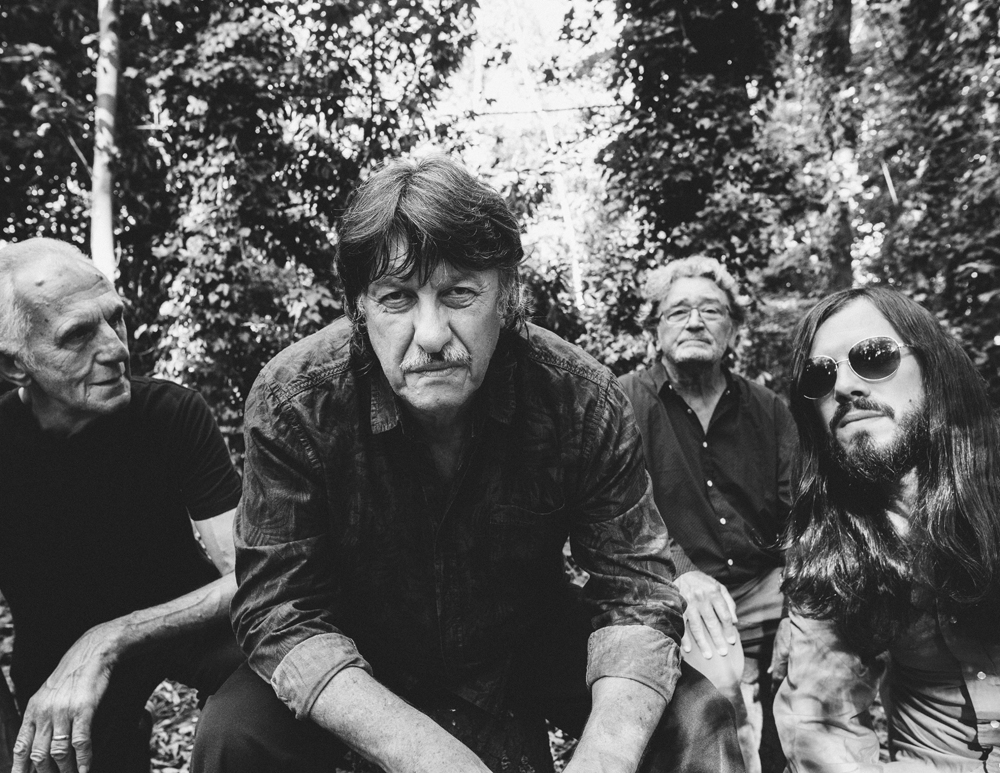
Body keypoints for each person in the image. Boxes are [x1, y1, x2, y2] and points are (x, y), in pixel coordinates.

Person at [192, 155, 745, 773]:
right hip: (357, 643)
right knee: (232, 733)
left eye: (459, 294)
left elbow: (636, 589)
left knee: (699, 713)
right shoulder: (296, 400)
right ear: (359, 307)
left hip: (521, 636)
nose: (431, 335)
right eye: (397, 298)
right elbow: (277, 607)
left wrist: (604, 758)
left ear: (506, 296)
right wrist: (427, 754)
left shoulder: (579, 397)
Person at [0, 238, 245, 773]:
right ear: (16, 366)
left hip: (188, 622)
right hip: (54, 654)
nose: (115, 348)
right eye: (77, 335)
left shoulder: (172, 414)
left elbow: (249, 574)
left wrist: (112, 637)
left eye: (116, 319)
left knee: (258, 715)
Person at [774, 286, 1000, 770]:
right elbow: (820, 725)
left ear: (934, 370)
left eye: (873, 357)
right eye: (820, 374)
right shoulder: (831, 542)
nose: (843, 386)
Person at [620, 257, 798, 773]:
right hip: (680, 589)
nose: (695, 322)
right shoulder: (624, 401)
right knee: (719, 694)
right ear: (655, 329)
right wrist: (682, 572)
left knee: (815, 675)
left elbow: (801, 515)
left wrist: (800, 608)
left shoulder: (769, 408)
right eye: (678, 311)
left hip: (769, 584)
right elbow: (619, 512)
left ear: (733, 329)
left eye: (712, 311)